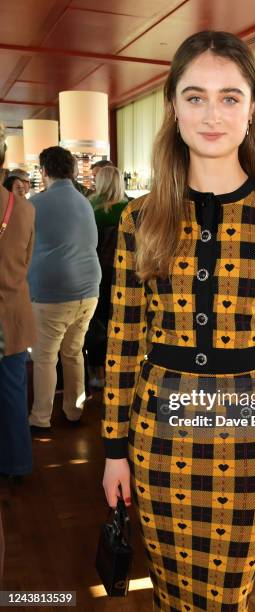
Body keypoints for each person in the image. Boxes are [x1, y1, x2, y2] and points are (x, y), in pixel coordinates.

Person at [102, 31, 255, 611]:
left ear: (252, 109)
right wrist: (113, 449)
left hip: (248, 435)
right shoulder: (139, 219)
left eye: (229, 97)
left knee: (227, 599)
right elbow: (122, 341)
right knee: (169, 594)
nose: (212, 114)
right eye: (195, 97)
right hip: (159, 437)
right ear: (173, 107)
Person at [28, 146, 101, 430]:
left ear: (44, 172)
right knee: (73, 352)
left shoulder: (36, 204)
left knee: (45, 357)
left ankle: (40, 418)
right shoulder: (84, 202)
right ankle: (74, 410)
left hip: (53, 293)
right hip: (89, 290)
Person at [0, 122, 35, 479]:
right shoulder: (23, 208)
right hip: (13, 312)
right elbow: (26, 260)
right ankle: (19, 463)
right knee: (12, 392)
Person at [85, 165, 129, 388]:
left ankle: (97, 372)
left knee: (96, 324)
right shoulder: (130, 208)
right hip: (126, 274)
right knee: (121, 322)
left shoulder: (91, 208)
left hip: (97, 272)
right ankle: (121, 369)